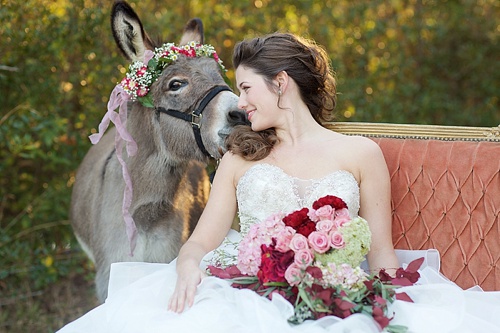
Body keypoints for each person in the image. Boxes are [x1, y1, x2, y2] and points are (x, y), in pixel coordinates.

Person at [58, 33, 500, 333]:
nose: (239, 102)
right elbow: (199, 243)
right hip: (246, 294)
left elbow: (382, 253)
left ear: (282, 84)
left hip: (338, 296)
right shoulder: (238, 157)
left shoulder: (363, 155)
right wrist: (189, 266)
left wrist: (387, 302)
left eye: (247, 89)